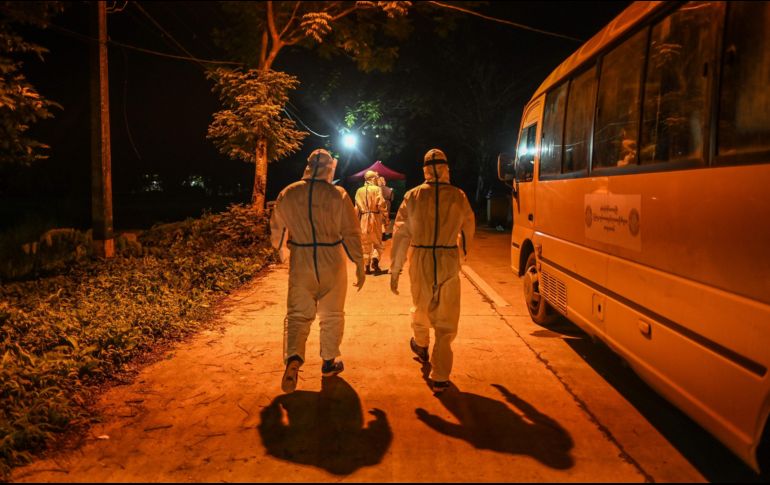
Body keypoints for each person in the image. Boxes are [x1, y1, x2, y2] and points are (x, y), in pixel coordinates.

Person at [270, 148, 366, 393]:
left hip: (302, 257)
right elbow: (351, 232)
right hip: (332, 260)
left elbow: (278, 231)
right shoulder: (339, 195)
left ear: (309, 165)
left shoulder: (287, 193)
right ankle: (328, 362)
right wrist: (359, 263)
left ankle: (293, 359)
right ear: (329, 168)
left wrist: (283, 254)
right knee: (332, 315)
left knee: (297, 315)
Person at [389, 148, 475, 394]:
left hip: (421, 256)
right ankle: (440, 376)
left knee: (421, 304)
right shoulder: (458, 196)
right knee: (447, 317)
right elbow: (468, 227)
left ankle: (421, 343)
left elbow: (401, 233)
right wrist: (462, 254)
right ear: (446, 168)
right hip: (447, 256)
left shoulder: (413, 196)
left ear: (425, 169)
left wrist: (395, 269)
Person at [354, 170, 387, 274]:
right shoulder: (377, 189)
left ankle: (367, 267)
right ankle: (375, 261)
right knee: (377, 242)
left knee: (365, 243)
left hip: (363, 218)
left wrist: (355, 222)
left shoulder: (359, 191)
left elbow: (356, 209)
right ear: (373, 178)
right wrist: (386, 217)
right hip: (375, 218)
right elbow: (381, 204)